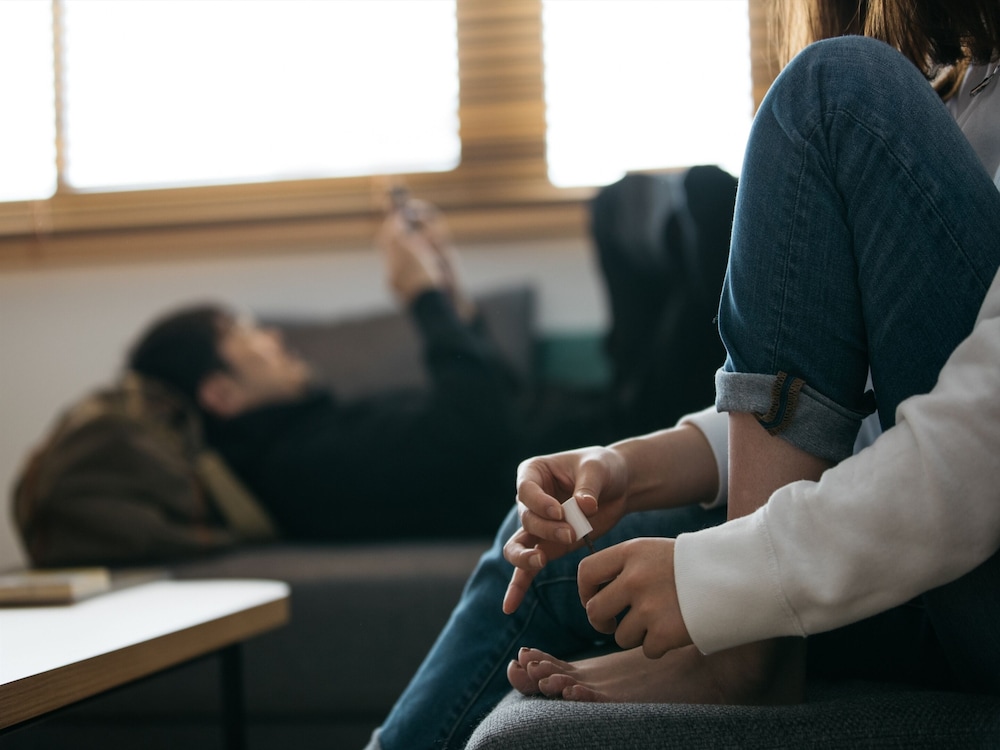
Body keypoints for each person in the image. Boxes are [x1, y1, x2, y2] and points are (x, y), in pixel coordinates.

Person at [364, 1, 1000, 747]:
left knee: (830, 93)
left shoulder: (877, 107)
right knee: (545, 549)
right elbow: (854, 412)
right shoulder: (957, 94)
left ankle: (747, 661)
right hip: (928, 559)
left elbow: (977, 443)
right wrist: (638, 466)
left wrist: (724, 587)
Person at [127, 200, 617, 542]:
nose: (273, 339)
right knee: (656, 206)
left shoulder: (313, 429)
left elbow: (500, 401)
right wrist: (423, 300)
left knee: (628, 205)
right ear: (222, 395)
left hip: (603, 426)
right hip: (611, 456)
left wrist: (448, 292)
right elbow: (482, 430)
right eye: (246, 333)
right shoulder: (303, 465)